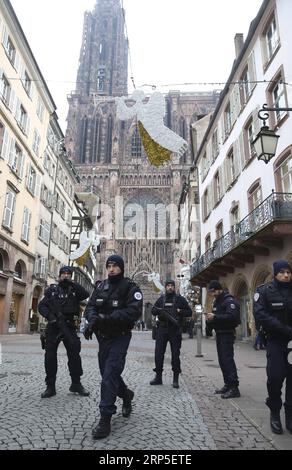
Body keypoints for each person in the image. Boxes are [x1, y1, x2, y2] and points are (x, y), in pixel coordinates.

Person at [83, 254, 143, 439]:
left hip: (120, 337)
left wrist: (107, 318)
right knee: (109, 375)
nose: (111, 268)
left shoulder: (130, 287)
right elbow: (90, 307)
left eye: (115, 265)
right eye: (109, 265)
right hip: (103, 338)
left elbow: (133, 311)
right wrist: (92, 320)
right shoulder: (101, 286)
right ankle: (126, 395)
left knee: (109, 375)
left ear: (121, 268)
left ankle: (105, 418)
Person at [38, 266, 90, 398]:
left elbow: (86, 294)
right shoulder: (53, 290)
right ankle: (50, 386)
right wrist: (50, 316)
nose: (65, 276)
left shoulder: (74, 290)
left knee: (74, 356)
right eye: (63, 274)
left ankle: (76, 384)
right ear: (59, 275)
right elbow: (41, 306)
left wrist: (72, 283)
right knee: (50, 356)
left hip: (70, 327)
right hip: (54, 327)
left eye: (68, 274)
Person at [253, 260, 292, 435]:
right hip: (276, 341)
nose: (286, 275)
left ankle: (290, 415)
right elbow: (261, 315)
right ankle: (275, 411)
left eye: (288, 272)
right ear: (275, 273)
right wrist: (284, 329)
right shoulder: (264, 291)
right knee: (275, 377)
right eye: (282, 272)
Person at [150, 279, 192, 389]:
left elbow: (189, 312)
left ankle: (175, 379)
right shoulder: (161, 299)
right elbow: (153, 310)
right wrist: (159, 311)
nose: (170, 287)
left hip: (175, 330)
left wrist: (180, 311)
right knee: (158, 354)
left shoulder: (180, 299)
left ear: (174, 287)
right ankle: (158, 377)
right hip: (162, 329)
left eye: (171, 286)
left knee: (175, 355)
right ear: (165, 287)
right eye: (168, 286)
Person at [204, 280, 241, 399]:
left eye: (214, 291)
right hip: (219, 334)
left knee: (228, 360)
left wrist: (215, 317)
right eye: (211, 292)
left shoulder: (228, 300)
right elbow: (217, 317)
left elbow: (232, 317)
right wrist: (210, 321)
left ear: (219, 289)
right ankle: (227, 384)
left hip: (227, 334)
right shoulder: (217, 302)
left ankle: (234, 388)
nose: (213, 294)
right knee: (222, 360)